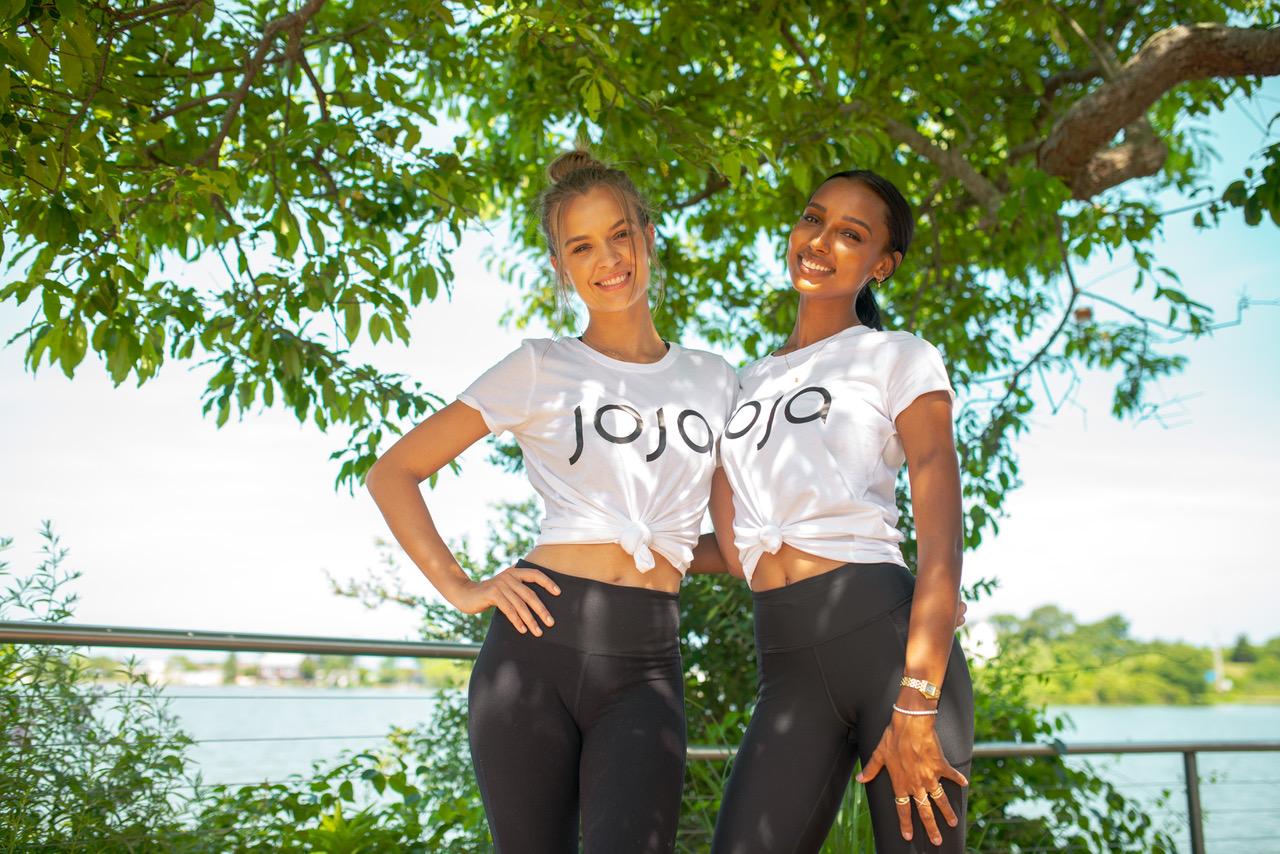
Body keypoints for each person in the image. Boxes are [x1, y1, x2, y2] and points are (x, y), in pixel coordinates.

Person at [365, 150, 737, 853]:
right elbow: (393, 473)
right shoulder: (540, 366)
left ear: (648, 236)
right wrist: (463, 588)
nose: (608, 260)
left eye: (620, 235)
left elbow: (733, 542)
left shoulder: (714, 381)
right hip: (532, 652)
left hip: (645, 662)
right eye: (582, 246)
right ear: (562, 266)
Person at [707, 169, 974, 853]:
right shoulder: (742, 385)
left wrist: (917, 700)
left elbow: (941, 542)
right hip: (786, 663)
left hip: (888, 650)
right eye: (812, 218)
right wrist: (602, 558)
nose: (820, 241)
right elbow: (736, 547)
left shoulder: (899, 357)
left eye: (851, 235)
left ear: (882, 264)